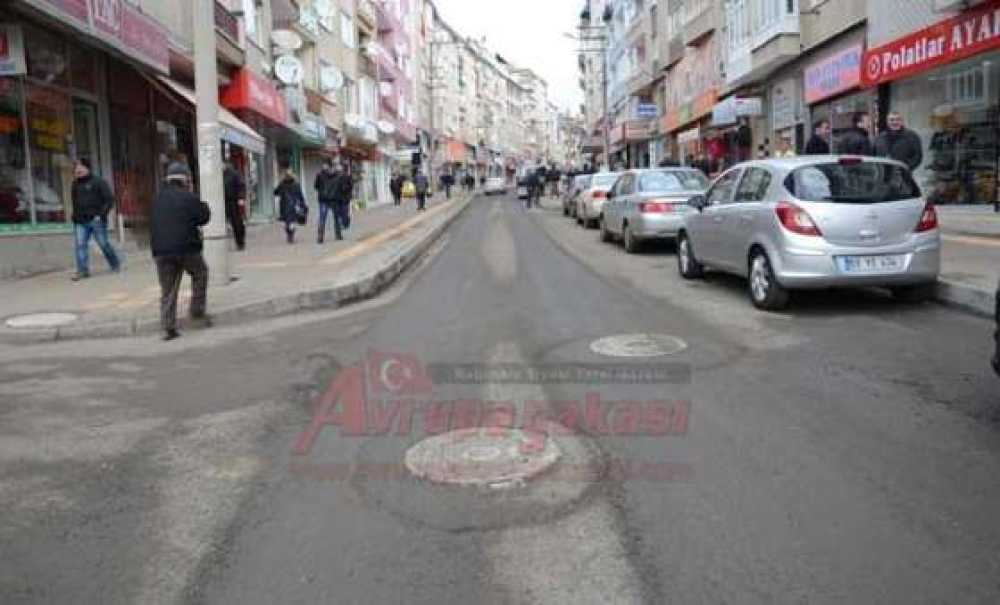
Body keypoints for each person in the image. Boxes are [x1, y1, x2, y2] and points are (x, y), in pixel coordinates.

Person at [150, 161, 210, 342]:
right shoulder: (188, 197)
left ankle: (168, 327)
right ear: (186, 179)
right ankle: (197, 311)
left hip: (161, 250)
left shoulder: (158, 198)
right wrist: (202, 203)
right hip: (186, 248)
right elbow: (203, 217)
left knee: (168, 288)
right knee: (200, 272)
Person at [70, 158, 121, 281]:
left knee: (103, 244)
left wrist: (101, 215)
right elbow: (74, 202)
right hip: (80, 221)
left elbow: (109, 200)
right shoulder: (75, 184)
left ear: (87, 168)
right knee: (80, 245)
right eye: (76, 168)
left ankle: (115, 263)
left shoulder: (98, 182)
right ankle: (82, 271)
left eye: (80, 167)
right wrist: (74, 216)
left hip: (96, 220)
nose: (77, 170)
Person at [274, 169, 306, 244]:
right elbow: (300, 195)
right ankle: (291, 235)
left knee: (287, 222)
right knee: (291, 221)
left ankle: (289, 235)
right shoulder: (296, 184)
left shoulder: (282, 184)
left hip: (284, 205)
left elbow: (275, 192)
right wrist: (303, 204)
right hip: (293, 205)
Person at [223, 163, 247, 251]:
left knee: (237, 222)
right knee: (234, 222)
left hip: (233, 201)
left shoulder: (234, 174)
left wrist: (241, 198)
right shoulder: (219, 175)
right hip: (223, 202)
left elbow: (241, 186)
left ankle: (240, 242)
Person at [314, 159, 339, 243]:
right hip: (334, 199)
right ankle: (338, 235)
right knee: (336, 217)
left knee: (322, 218)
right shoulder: (337, 174)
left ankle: (320, 237)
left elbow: (316, 186)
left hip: (323, 199)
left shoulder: (319, 174)